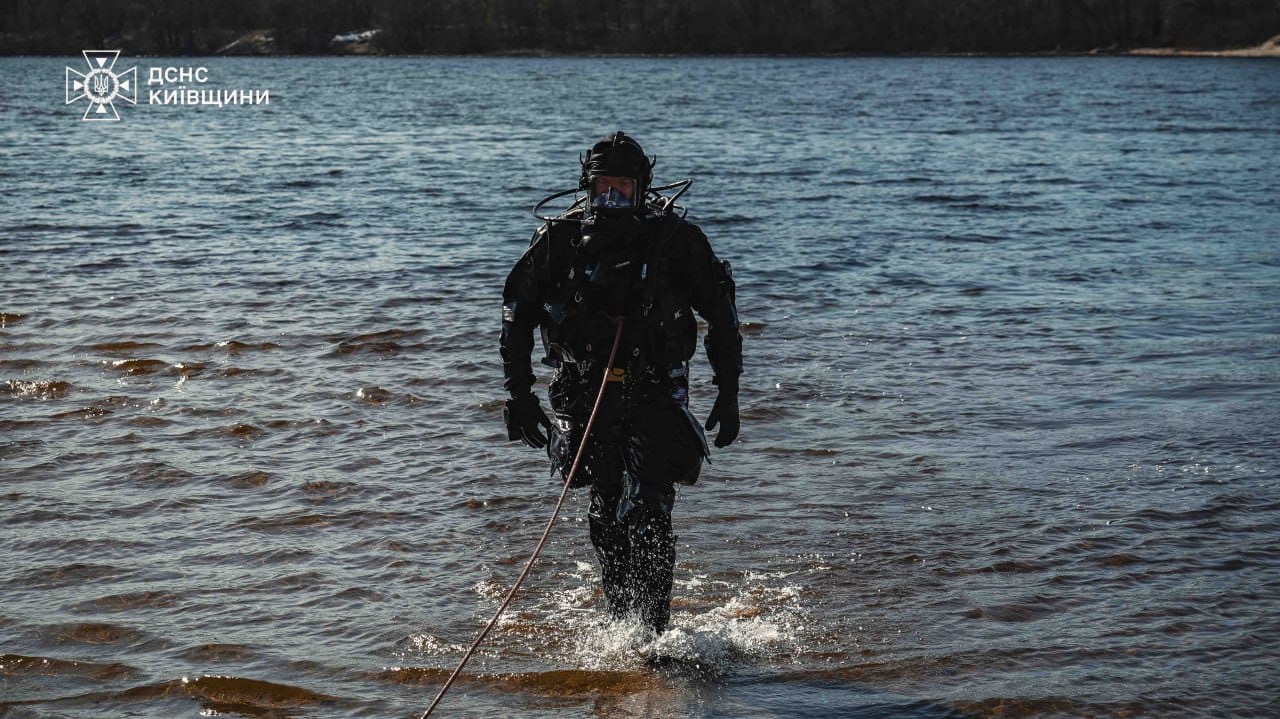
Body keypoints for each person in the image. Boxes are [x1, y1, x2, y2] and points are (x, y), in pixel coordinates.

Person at [500, 131, 742, 634]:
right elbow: (516, 318)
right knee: (606, 512)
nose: (611, 200)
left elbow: (722, 315)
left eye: (623, 190)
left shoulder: (675, 241)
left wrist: (730, 389)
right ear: (586, 188)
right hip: (584, 391)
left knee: (649, 511)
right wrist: (518, 397)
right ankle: (622, 625)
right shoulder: (559, 242)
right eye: (602, 189)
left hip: (655, 389)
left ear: (642, 188)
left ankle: (653, 635)